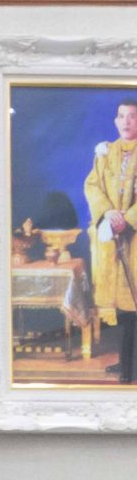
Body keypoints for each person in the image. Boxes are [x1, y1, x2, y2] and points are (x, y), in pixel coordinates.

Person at [88, 98, 137, 377]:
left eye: (132, 116)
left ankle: (133, 365)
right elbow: (93, 185)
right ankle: (126, 361)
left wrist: (127, 219)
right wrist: (108, 212)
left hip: (134, 237)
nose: (126, 121)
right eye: (122, 116)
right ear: (116, 121)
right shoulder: (105, 153)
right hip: (114, 238)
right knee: (121, 305)